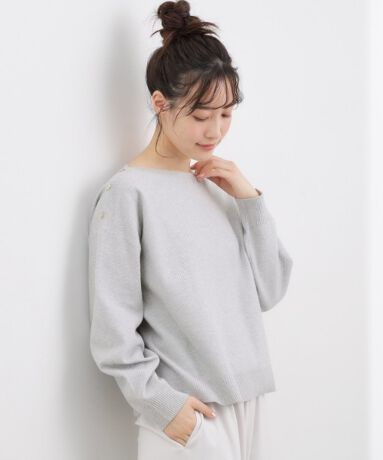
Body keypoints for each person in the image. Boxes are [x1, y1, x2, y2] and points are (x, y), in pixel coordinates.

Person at [87, 1, 293, 458]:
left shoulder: (221, 187)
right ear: (161, 104)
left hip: (251, 405)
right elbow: (112, 331)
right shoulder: (127, 194)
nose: (215, 131)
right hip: (191, 417)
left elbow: (271, 289)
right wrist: (164, 406)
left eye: (226, 114)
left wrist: (250, 201)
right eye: (201, 116)